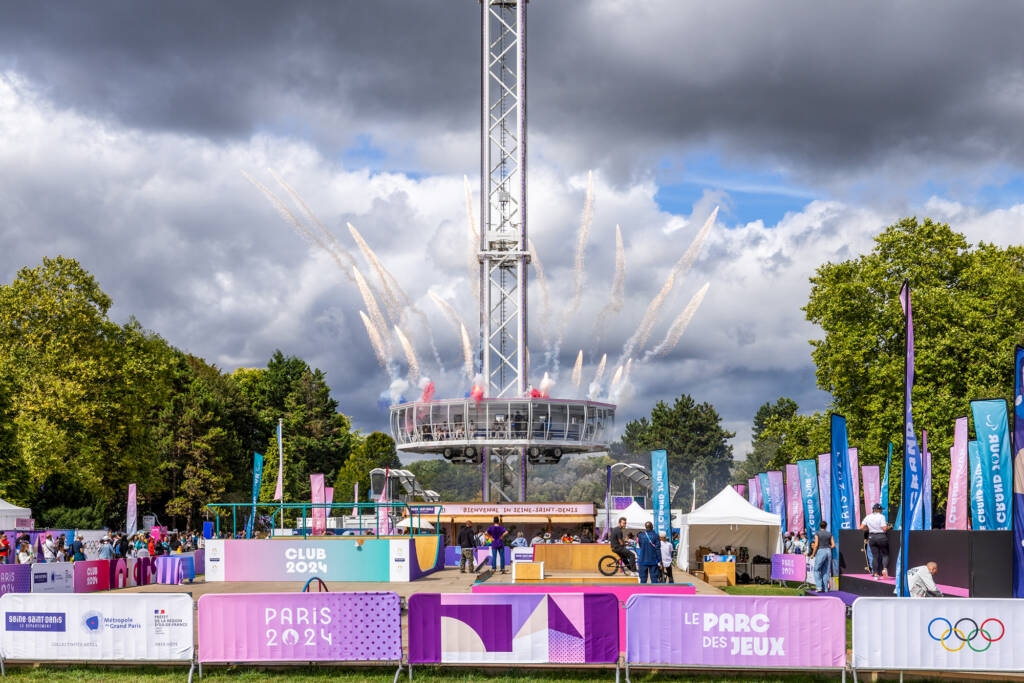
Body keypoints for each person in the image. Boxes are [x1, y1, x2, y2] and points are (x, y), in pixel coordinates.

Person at [859, 503, 890, 579]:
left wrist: (869, 529)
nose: (882, 511)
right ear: (879, 510)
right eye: (881, 510)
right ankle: (885, 569)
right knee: (885, 554)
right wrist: (889, 527)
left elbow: (861, 527)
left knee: (875, 556)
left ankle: (875, 574)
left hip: (871, 537)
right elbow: (884, 528)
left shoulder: (868, 517)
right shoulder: (881, 516)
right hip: (881, 537)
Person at [810, 521, 834, 592]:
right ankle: (825, 588)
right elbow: (833, 545)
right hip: (828, 551)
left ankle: (819, 587)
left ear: (820, 526)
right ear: (826, 526)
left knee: (816, 569)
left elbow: (816, 545)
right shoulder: (829, 534)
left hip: (821, 551)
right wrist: (828, 547)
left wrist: (813, 554)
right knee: (826, 570)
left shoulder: (817, 533)